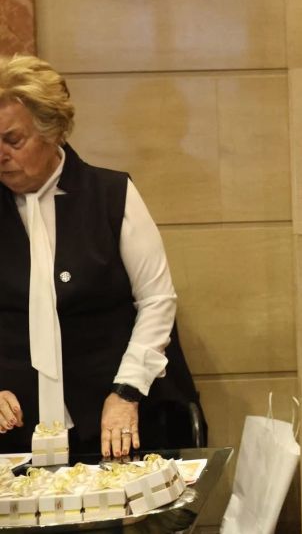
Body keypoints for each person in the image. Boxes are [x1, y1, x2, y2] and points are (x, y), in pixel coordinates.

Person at [0, 54, 201, 459]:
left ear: (53, 130)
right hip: (13, 431)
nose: (0, 153)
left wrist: (126, 391)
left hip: (112, 420)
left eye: (12, 140)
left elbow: (157, 301)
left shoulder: (111, 196)